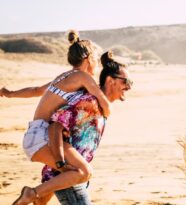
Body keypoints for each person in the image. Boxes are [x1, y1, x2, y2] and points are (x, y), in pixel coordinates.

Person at [13, 51, 132, 205]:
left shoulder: (98, 105)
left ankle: (35, 194)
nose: (129, 87)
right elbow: (55, 126)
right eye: (126, 82)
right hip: (69, 177)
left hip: (69, 177)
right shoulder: (90, 102)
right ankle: (32, 193)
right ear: (110, 81)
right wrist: (61, 164)